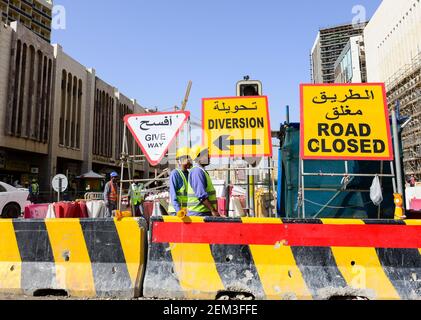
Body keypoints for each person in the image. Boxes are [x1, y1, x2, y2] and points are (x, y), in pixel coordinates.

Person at [187, 145, 220, 217]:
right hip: (199, 214)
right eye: (206, 154)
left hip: (203, 212)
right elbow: (201, 195)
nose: (209, 157)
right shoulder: (197, 171)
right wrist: (213, 210)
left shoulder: (201, 171)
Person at [168, 147, 192, 215]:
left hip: (186, 211)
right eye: (188, 159)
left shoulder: (189, 174)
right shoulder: (175, 173)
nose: (190, 161)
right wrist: (178, 210)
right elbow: (173, 194)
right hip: (176, 212)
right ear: (182, 160)